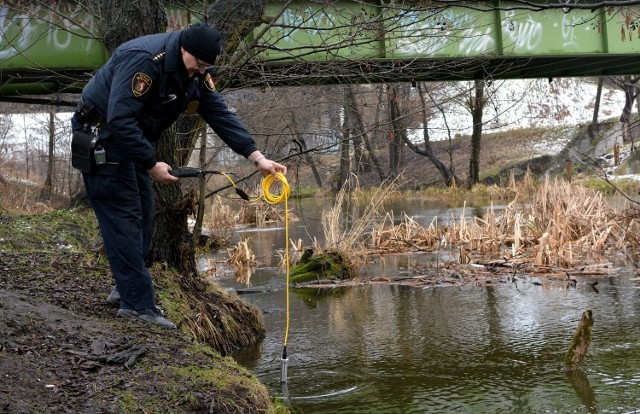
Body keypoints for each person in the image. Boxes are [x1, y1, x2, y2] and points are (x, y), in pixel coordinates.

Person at [71, 23, 287, 328]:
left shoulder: (196, 73)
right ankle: (138, 306)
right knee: (124, 217)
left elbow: (219, 113)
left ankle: (127, 288)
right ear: (184, 49)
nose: (200, 72)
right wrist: (151, 164)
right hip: (103, 136)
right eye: (198, 65)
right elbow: (120, 117)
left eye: (206, 68)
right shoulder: (145, 61)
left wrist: (257, 157)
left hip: (129, 140)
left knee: (144, 216)